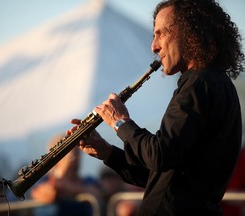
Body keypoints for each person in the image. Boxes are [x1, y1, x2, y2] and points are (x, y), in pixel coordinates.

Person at [67, 0, 244, 215]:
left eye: (161, 34)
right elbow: (158, 172)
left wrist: (120, 122)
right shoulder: (214, 83)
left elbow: (160, 154)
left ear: (190, 33)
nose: (154, 46)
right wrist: (106, 152)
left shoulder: (199, 84)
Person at [30, 135, 100, 216]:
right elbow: (47, 194)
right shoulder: (45, 180)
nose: (73, 157)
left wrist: (65, 188)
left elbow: (96, 193)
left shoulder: (88, 180)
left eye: (76, 151)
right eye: (67, 152)